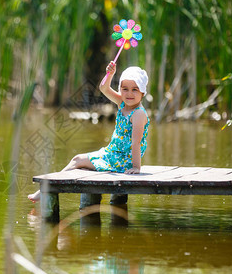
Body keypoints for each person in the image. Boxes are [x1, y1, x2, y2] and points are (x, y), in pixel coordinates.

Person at [28, 62, 150, 203]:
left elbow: (136, 143)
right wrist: (110, 74)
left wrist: (135, 167)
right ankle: (46, 189)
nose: (129, 94)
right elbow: (104, 88)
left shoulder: (138, 114)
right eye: (125, 89)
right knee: (77, 160)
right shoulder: (122, 103)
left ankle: (45, 190)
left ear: (142, 92)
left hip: (124, 160)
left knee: (78, 160)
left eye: (135, 89)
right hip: (112, 153)